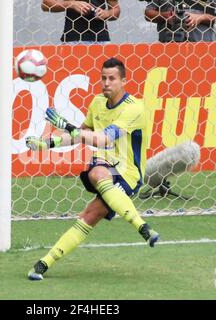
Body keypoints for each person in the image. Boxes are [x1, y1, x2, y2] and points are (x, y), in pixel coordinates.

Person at [25, 57, 160, 281]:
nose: (106, 83)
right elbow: (81, 134)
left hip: (128, 172)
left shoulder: (134, 108)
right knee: (90, 211)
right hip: (104, 167)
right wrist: (45, 144)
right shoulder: (97, 103)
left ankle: (142, 227)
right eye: (103, 78)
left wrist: (66, 125)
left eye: (112, 79)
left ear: (123, 81)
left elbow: (104, 140)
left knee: (95, 184)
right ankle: (43, 264)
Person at [41, 0, 120, 44]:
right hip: (73, 40)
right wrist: (71, 4)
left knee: (103, 72)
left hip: (102, 40)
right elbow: (45, 4)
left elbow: (116, 10)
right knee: (75, 73)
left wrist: (106, 13)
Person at [144, 0, 216, 43]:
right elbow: (148, 13)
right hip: (169, 47)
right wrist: (165, 16)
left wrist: (201, 18)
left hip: (202, 47)